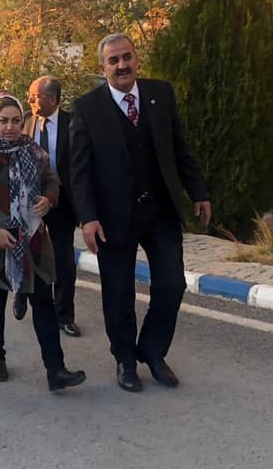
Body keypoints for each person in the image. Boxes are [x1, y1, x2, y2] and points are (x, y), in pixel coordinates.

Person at [70, 33, 211, 392]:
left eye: (127, 57)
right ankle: (125, 360)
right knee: (118, 293)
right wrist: (88, 217)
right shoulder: (87, 108)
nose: (122, 65)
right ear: (102, 67)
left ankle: (152, 350)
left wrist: (198, 192)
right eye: (114, 60)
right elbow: (80, 171)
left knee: (172, 284)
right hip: (113, 218)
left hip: (160, 211)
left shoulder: (160, 94)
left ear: (136, 58)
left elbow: (179, 147)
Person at [0, 96, 86, 391]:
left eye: (15, 121)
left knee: (43, 302)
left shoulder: (33, 150)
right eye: (3, 121)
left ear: (23, 121)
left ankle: (56, 370)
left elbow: (51, 180)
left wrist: (48, 198)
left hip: (31, 236)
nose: (10, 127)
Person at [13, 76, 81, 336]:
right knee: (27, 253)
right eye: (29, 95)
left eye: (34, 96)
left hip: (62, 203)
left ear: (52, 99)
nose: (29, 100)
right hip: (29, 204)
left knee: (63, 261)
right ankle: (21, 293)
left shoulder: (73, 123)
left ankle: (64, 316)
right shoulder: (24, 123)